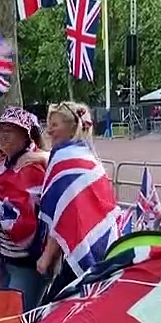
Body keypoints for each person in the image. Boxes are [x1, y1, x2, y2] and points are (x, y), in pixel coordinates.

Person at [36, 102, 119, 303]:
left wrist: (46, 257)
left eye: (54, 125)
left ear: (72, 127)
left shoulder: (63, 158)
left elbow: (63, 216)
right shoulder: (87, 156)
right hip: (104, 244)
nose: (49, 131)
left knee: (51, 310)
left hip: (81, 248)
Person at [0, 107, 48, 310]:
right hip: (7, 258)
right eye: (0, 130)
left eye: (10, 130)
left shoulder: (31, 167)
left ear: (26, 135)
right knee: (7, 317)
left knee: (17, 320)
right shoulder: (8, 166)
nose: (3, 136)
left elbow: (27, 220)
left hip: (27, 263)